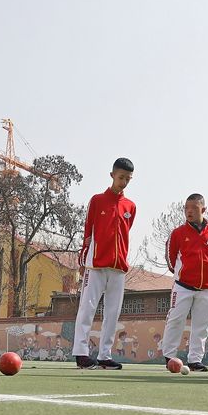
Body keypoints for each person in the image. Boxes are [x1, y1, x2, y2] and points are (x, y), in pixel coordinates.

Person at [72, 158, 136, 369]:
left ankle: (105, 355)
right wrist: (84, 258)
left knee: (113, 312)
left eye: (128, 179)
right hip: (96, 264)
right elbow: (88, 231)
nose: (124, 182)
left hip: (119, 267)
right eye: (121, 177)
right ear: (112, 175)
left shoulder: (130, 206)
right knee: (87, 308)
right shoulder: (97, 200)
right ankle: (81, 353)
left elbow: (126, 233)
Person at [160, 193, 208, 372]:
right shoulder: (177, 233)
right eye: (186, 208)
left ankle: (195, 360)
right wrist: (182, 273)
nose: (189, 212)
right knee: (175, 320)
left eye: (194, 208)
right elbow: (170, 258)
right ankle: (170, 357)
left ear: (203, 209)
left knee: (201, 326)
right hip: (183, 286)